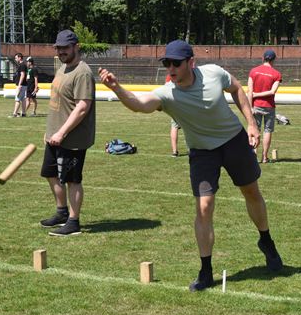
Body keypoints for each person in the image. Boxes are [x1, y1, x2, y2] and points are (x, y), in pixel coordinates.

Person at [99, 40, 283, 292]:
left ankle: (266, 241)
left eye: (176, 63)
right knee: (204, 207)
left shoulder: (214, 73)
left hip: (233, 141)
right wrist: (117, 88)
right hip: (202, 152)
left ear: (191, 63)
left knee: (251, 192)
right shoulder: (167, 93)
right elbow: (139, 105)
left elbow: (237, 89)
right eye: (167, 63)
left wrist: (251, 123)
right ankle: (206, 271)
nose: (170, 68)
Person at [39, 29, 96, 236]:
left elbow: (82, 106)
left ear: (76, 46)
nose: (61, 51)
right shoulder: (63, 68)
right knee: (50, 174)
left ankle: (73, 221)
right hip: (54, 135)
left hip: (72, 138)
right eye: (58, 48)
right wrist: (50, 131)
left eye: (65, 47)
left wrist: (61, 132)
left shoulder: (83, 72)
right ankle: (62, 212)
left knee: (72, 179)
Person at [247, 49, 282, 163]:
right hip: (269, 106)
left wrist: (250, 106)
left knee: (254, 129)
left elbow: (249, 91)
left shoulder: (254, 71)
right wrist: (258, 94)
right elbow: (272, 91)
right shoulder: (276, 74)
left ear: (263, 58)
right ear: (274, 60)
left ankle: (253, 155)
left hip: (255, 105)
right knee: (268, 131)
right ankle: (264, 157)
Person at [9, 53, 28, 118]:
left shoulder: (22, 65)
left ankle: (15, 113)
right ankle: (24, 113)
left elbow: (22, 75)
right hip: (23, 85)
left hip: (21, 85)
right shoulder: (22, 65)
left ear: (20, 58)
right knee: (23, 99)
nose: (15, 59)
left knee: (17, 99)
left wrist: (19, 85)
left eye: (16, 58)